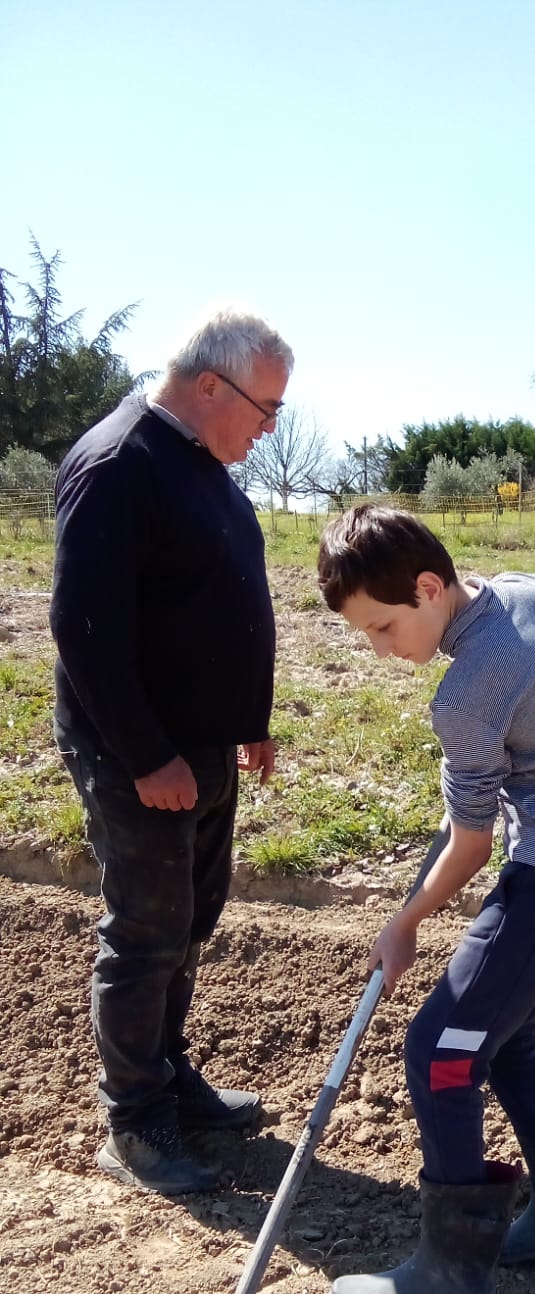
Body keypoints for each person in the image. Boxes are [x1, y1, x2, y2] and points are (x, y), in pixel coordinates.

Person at [316, 505, 535, 1294]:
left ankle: (452, 1276)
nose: (383, 650)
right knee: (500, 1032)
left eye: (385, 627)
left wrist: (406, 919)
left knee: (439, 1052)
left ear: (430, 588)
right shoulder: (524, 592)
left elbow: (467, 847)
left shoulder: (465, 695)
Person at [50, 308, 294, 1195]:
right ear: (208, 387)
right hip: (139, 751)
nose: (269, 430)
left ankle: (168, 1073)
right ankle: (135, 1120)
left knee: (191, 918)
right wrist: (148, 755)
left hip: (203, 743)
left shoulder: (203, 467)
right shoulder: (119, 465)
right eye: (264, 409)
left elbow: (220, 599)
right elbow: (84, 630)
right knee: (148, 931)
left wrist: (249, 718)